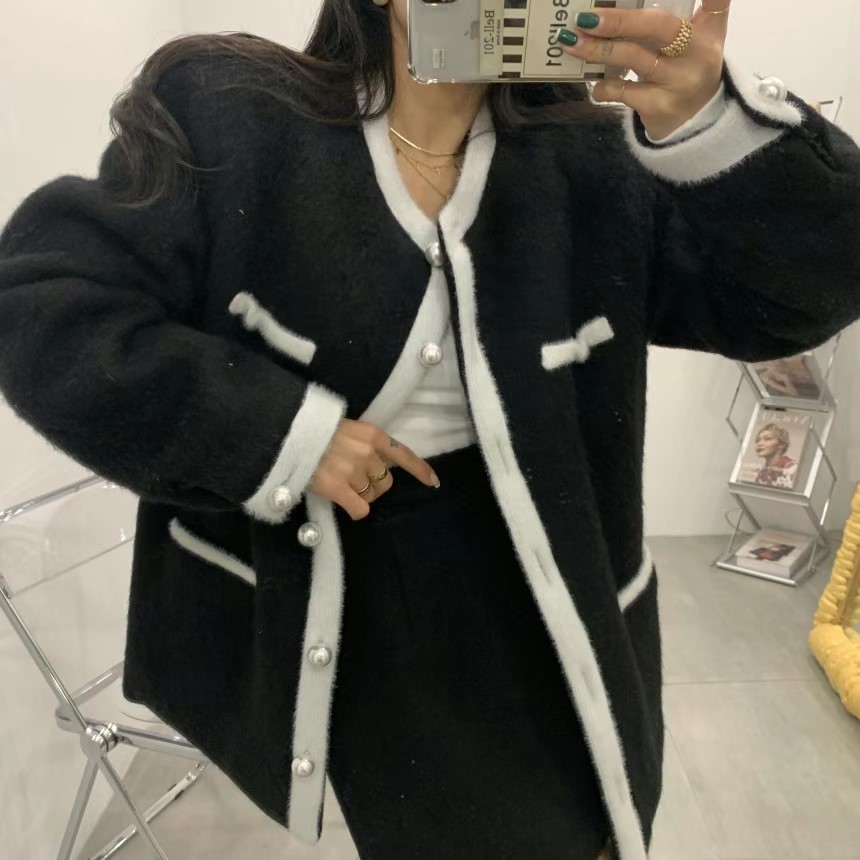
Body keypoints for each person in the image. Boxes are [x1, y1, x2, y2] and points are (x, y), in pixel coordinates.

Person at [1, 2, 859, 858]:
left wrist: (710, 124)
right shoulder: (230, 117)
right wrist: (277, 434)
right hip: (323, 592)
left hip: (544, 580)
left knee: (590, 817)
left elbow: (795, 299)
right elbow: (40, 307)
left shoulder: (595, 160)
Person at [753, 423, 798, 489]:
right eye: (758, 440)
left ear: (781, 444)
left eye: (767, 439)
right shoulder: (760, 472)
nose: (759, 444)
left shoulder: (792, 468)